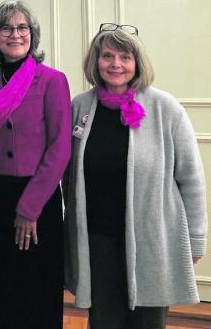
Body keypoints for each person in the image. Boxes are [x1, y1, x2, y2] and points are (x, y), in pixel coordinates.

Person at [64, 24, 207, 329]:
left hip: (151, 239)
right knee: (102, 321)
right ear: (96, 61)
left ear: (137, 62)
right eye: (108, 56)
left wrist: (195, 240)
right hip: (97, 239)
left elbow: (191, 179)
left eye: (125, 57)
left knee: (146, 321)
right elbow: (67, 171)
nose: (116, 64)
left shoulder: (165, 108)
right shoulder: (80, 106)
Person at [0, 0, 70, 328]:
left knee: (36, 292)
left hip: (36, 201)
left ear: (32, 34)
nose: (15, 34)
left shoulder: (52, 80)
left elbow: (60, 148)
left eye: (22, 27)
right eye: (7, 28)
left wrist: (29, 208)